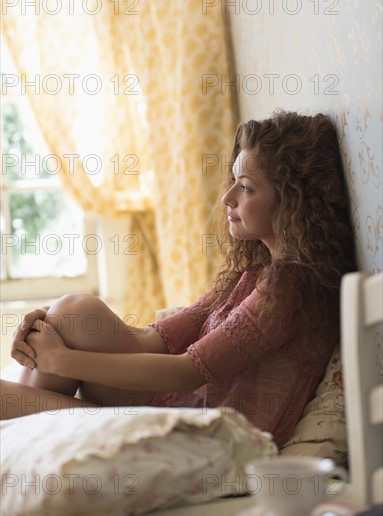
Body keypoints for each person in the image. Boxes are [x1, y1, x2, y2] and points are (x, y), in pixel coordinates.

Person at [0, 110, 356, 448]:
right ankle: (37, 449)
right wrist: (49, 326)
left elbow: (188, 372)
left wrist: (58, 360)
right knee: (73, 311)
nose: (226, 197)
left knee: (8, 399)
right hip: (184, 412)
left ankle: (35, 447)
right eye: (233, 182)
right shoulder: (255, 275)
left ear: (293, 201)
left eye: (246, 188)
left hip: (208, 438)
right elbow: (156, 339)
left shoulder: (290, 287)